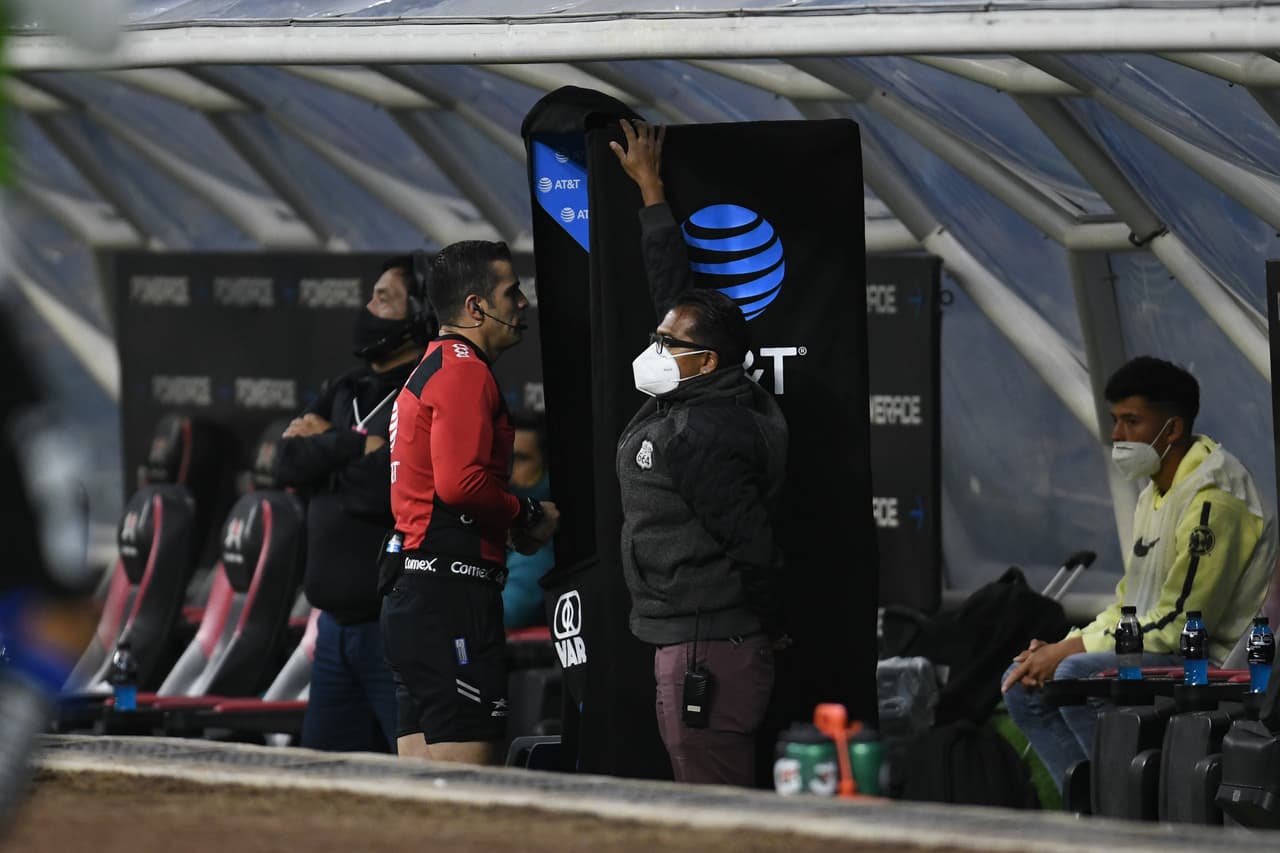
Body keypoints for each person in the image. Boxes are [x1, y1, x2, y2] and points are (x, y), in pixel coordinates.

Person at [610, 119, 790, 786]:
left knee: (712, 804)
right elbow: (672, 295)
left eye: (666, 342)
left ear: (706, 360)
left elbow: (754, 544)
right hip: (696, 639)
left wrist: (762, 625)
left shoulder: (707, 433)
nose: (652, 348)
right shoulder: (692, 394)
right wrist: (651, 191)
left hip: (709, 649)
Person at [1002, 356, 1278, 788]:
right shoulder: (1155, 492)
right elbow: (1129, 605)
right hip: (1161, 648)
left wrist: (1072, 652)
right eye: (1115, 421)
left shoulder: (1213, 498)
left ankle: (1129, 810)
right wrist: (1060, 646)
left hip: (1211, 661)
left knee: (1079, 674)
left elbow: (1182, 625)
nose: (1117, 436)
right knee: (1021, 683)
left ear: (1172, 429)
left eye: (1132, 421)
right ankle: (1092, 811)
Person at [382, 240, 559, 765]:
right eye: (512, 292)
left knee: (421, 793)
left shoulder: (433, 366)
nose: (522, 303)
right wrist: (527, 514)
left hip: (418, 592)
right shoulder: (463, 370)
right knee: (469, 799)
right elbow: (459, 485)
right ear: (476, 307)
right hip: (449, 598)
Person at [276, 254, 432, 754]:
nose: (368, 307)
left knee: (415, 776)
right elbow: (286, 461)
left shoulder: (424, 389)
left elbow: (386, 490)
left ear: (417, 315)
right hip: (333, 633)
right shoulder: (347, 388)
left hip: (391, 633)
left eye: (384, 298)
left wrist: (328, 457)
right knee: (326, 779)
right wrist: (352, 446)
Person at [503, 410, 555, 629]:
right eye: (507, 459)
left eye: (522, 459)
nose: (510, 473)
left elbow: (508, 612)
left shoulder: (544, 535)